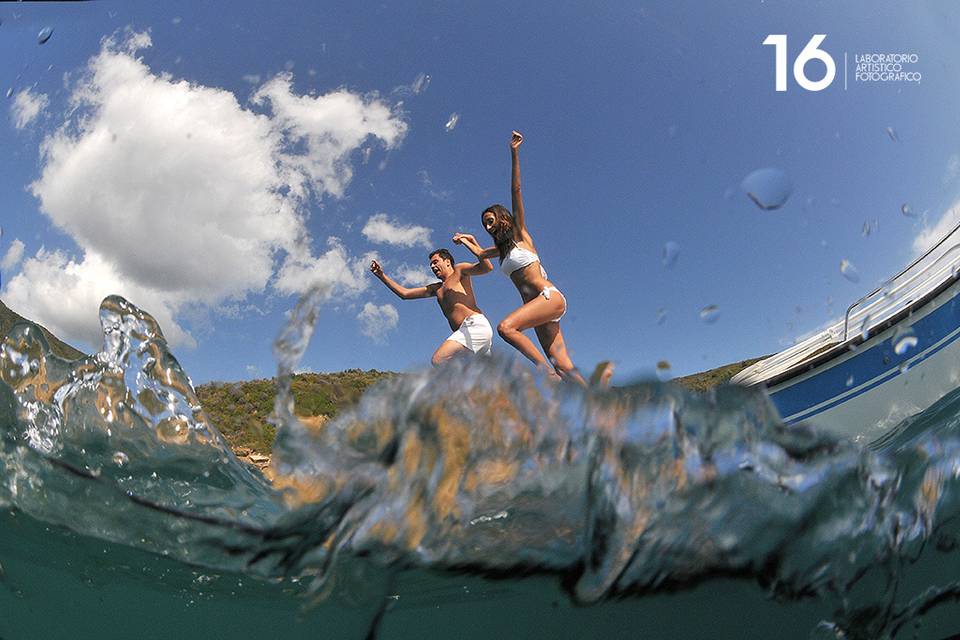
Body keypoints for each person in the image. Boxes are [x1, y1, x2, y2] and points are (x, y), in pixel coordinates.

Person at [453, 130, 586, 385]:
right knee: (564, 366)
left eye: (490, 222)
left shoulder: (520, 235)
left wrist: (514, 153)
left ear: (503, 218)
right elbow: (481, 253)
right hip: (537, 309)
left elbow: (516, 190)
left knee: (506, 328)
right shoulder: (502, 252)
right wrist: (467, 239)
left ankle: (544, 373)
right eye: (485, 226)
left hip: (549, 298)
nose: (489, 228)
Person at [370, 248, 493, 365]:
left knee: (439, 360)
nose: (433, 267)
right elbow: (405, 294)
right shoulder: (437, 289)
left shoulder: (459, 271)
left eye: (435, 262)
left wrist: (473, 245)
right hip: (464, 335)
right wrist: (381, 275)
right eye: (431, 265)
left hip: (474, 326)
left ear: (447, 262)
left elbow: (487, 268)